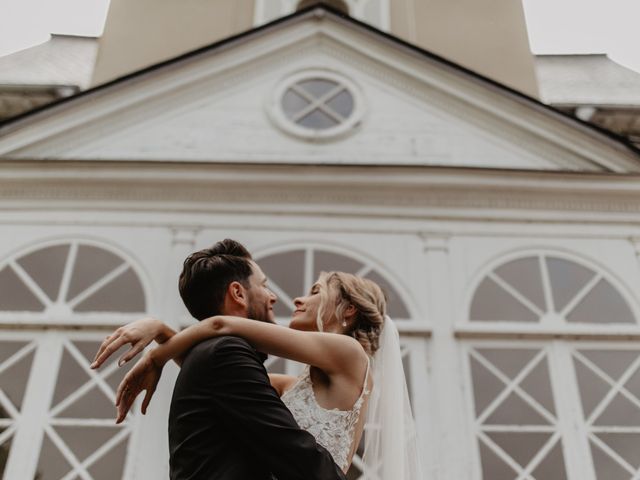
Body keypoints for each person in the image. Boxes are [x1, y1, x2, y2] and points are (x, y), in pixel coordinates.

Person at [92, 239, 421, 479]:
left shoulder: (349, 354)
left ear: (348, 310)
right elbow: (224, 382)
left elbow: (222, 325)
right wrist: (162, 332)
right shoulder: (298, 386)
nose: (297, 298)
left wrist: (158, 356)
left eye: (316, 291)